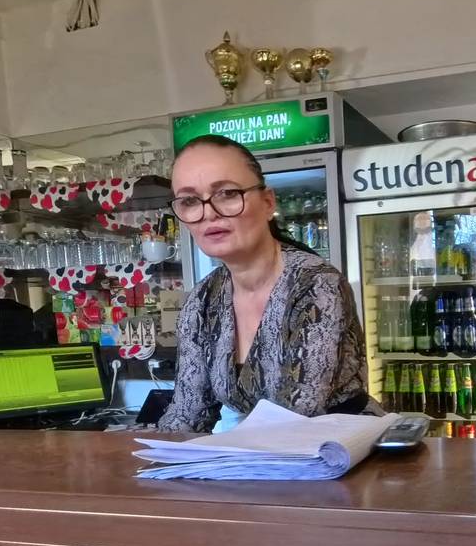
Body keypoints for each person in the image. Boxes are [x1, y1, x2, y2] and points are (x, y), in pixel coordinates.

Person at [156, 133, 371, 432]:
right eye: (190, 201)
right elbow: (186, 415)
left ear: (268, 202)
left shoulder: (316, 284)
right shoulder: (203, 299)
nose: (209, 213)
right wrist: (155, 454)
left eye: (227, 193)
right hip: (258, 450)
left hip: (341, 449)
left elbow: (297, 414)